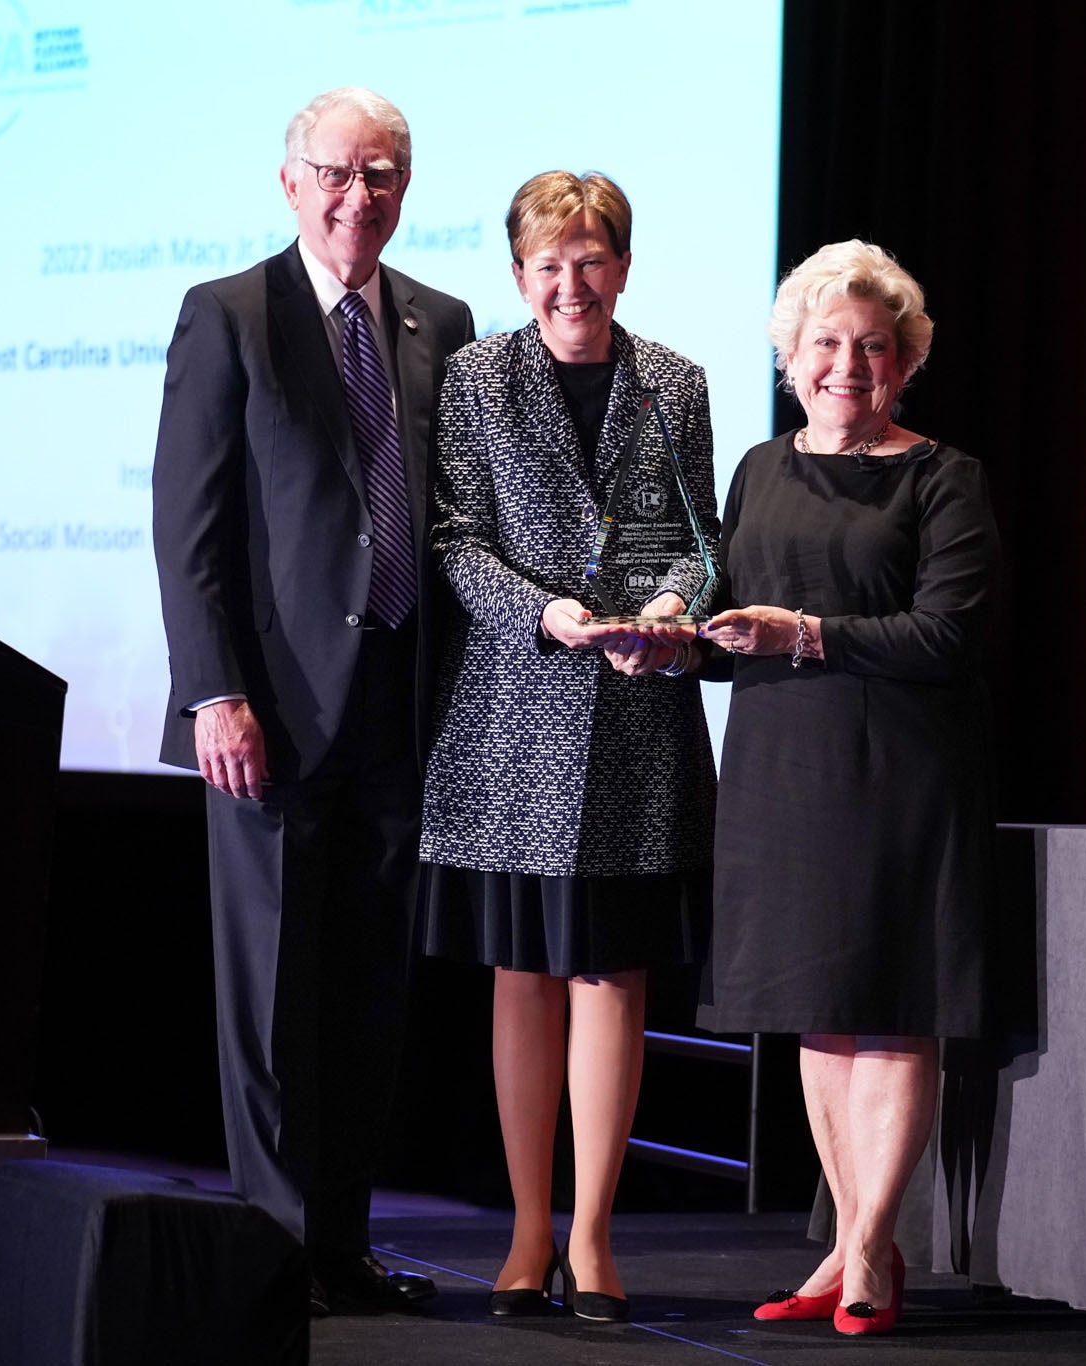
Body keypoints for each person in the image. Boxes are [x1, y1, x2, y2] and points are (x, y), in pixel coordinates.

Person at [150, 87, 476, 1318]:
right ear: (289, 182)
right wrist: (214, 692)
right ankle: (278, 1255)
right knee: (274, 999)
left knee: (367, 1002)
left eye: (382, 175)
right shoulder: (228, 315)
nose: (359, 197)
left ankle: (340, 1244)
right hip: (269, 719)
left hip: (403, 709)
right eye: (337, 173)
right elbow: (188, 531)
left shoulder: (441, 323)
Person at [418, 171, 718, 1324]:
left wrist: (667, 614)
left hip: (638, 713)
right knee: (523, 973)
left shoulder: (674, 384)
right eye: (547, 262)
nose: (569, 282)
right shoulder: (476, 376)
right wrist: (539, 616)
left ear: (623, 267)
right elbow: (454, 535)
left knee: (612, 970)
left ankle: (591, 1234)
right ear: (516, 274)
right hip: (512, 712)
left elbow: (697, 537)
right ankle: (525, 1229)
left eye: (589, 259)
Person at [695, 240, 1001, 1337]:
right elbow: (734, 619)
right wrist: (675, 645)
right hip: (780, 769)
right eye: (825, 343)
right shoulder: (758, 470)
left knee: (888, 1011)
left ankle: (871, 1246)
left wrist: (808, 633)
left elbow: (946, 631)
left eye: (872, 347)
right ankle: (845, 1245)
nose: (845, 364)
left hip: (899, 770)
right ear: (789, 355)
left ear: (905, 361)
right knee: (815, 1015)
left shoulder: (940, 476)